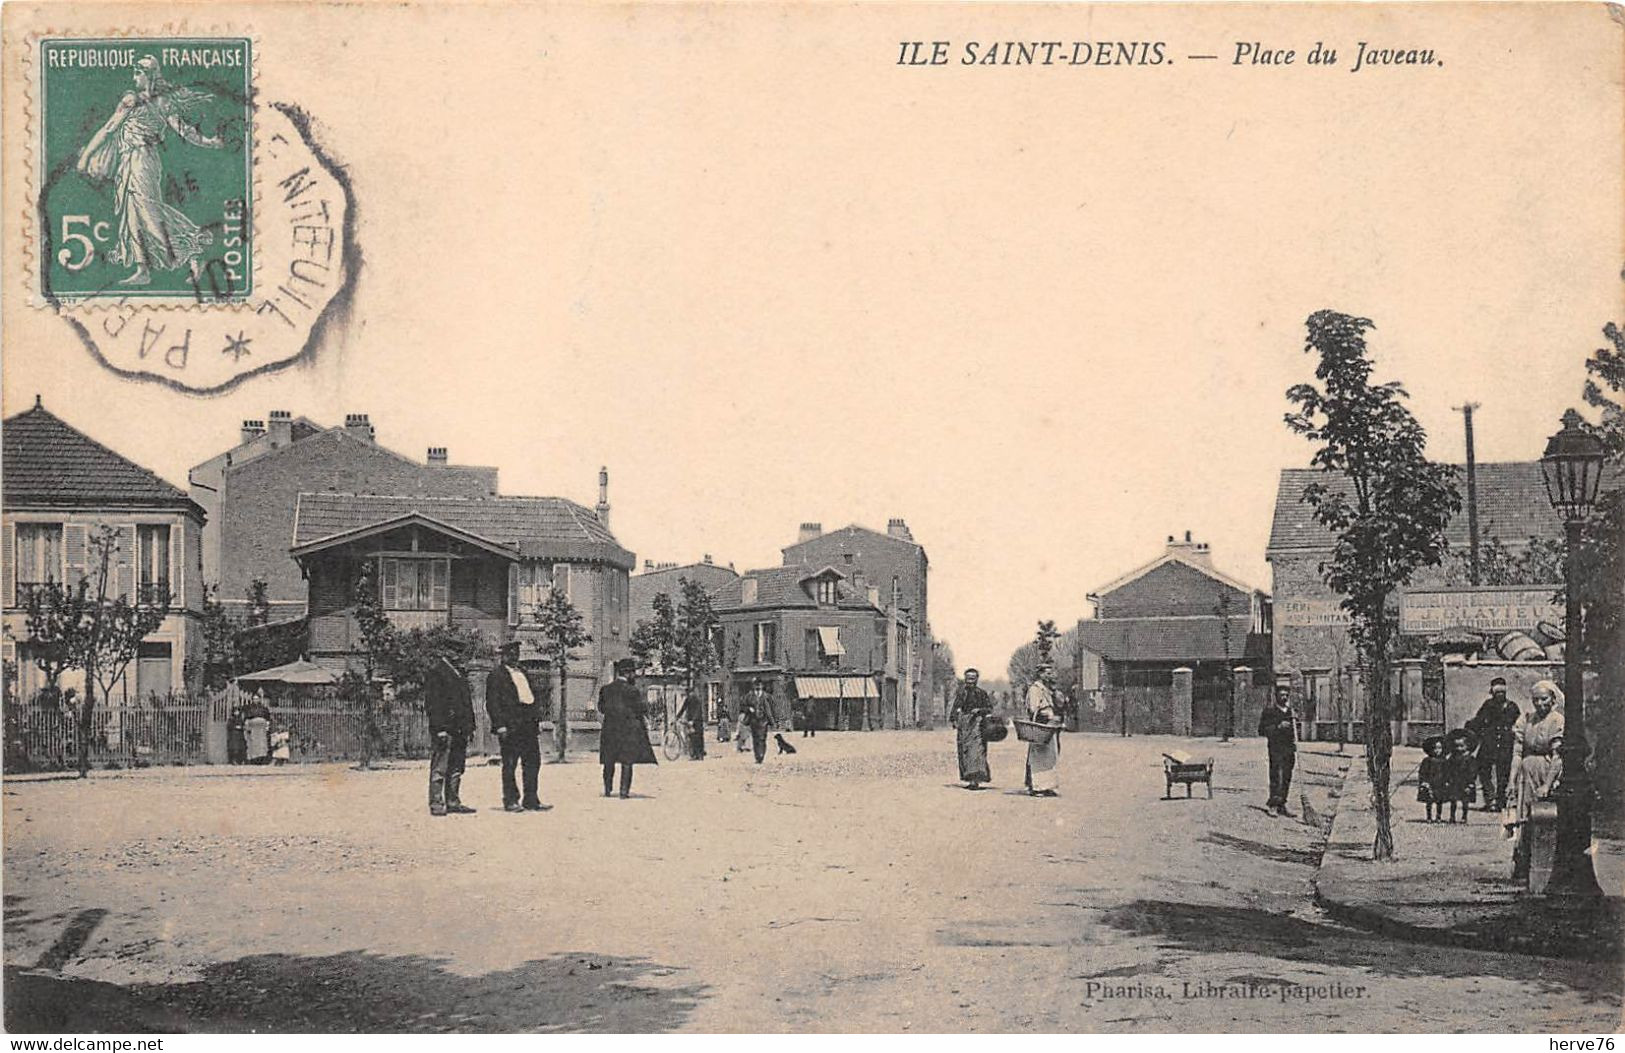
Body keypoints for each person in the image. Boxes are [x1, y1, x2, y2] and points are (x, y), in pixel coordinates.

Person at [75, 55, 223, 286]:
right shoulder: (149, 101)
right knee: (133, 214)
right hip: (130, 161)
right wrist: (209, 141)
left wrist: (85, 157)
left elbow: (109, 129)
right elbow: (110, 128)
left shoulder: (140, 100)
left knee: (147, 211)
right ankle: (142, 269)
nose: (135, 77)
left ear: (149, 75)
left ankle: (192, 253)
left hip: (143, 160)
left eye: (138, 73)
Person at [1505, 680, 1565, 881]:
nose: (1539, 704)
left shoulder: (1557, 720)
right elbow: (1517, 753)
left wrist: (1547, 784)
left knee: (1545, 818)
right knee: (1524, 819)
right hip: (1526, 773)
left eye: (1544, 699)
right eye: (1536, 700)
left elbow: (1558, 755)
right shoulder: (1526, 719)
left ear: (1553, 699)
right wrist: (1511, 781)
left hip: (1547, 770)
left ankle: (1544, 866)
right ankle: (1523, 863)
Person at [486, 643, 546, 812]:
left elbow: (531, 697)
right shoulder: (496, 675)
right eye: (511, 653)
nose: (514, 656)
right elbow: (493, 703)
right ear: (503, 655)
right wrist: (500, 726)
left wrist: (537, 720)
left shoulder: (523, 673)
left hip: (528, 725)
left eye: (516, 653)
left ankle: (531, 799)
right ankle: (511, 800)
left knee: (533, 762)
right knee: (510, 763)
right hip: (511, 725)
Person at [424, 654, 475, 817]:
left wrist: (470, 726)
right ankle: (436, 802)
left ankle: (453, 801)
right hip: (446, 728)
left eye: (460, 651)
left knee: (457, 767)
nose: (460, 656)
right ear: (447, 652)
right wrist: (439, 729)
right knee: (440, 767)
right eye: (456, 651)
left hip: (460, 729)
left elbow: (467, 703)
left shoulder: (460, 673)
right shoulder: (437, 672)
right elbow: (434, 703)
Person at [599, 659, 657, 797]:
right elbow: (640, 709)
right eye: (633, 672)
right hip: (627, 731)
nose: (634, 675)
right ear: (628, 673)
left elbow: (601, 708)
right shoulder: (632, 690)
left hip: (609, 730)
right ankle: (623, 792)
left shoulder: (605, 689)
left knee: (609, 760)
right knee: (627, 761)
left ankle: (608, 790)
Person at [1465, 677, 1521, 811]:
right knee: (1483, 770)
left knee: (1504, 773)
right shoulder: (1488, 705)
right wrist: (1469, 730)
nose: (1500, 693)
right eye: (1497, 691)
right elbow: (1478, 722)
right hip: (1488, 743)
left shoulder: (1512, 707)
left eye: (1502, 690)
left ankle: (1501, 801)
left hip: (1505, 744)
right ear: (1492, 692)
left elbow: (1518, 723)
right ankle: (1490, 799)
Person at [948, 668, 993, 789]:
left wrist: (979, 710)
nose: (970, 681)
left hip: (977, 726)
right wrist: (953, 719)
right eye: (968, 679)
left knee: (976, 752)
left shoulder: (982, 693)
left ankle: (976, 780)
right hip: (964, 726)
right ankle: (969, 778)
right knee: (965, 751)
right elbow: (955, 706)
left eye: (973, 679)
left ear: (977, 679)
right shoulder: (961, 693)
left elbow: (989, 708)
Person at [1258, 686, 1297, 816]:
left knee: (1287, 776)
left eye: (1286, 695)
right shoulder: (1269, 712)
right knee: (1276, 775)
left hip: (1289, 748)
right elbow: (1262, 730)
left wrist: (1296, 732)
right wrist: (1278, 727)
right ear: (1276, 696)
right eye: (1282, 695)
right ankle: (1273, 804)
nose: (1284, 697)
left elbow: (1296, 731)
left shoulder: (1291, 712)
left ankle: (1282, 803)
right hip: (1276, 748)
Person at [1024, 664, 1062, 797]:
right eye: (1047, 673)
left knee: (1050, 756)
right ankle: (1037, 787)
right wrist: (1046, 714)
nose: (1049, 676)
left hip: (1049, 726)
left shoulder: (1048, 689)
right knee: (1038, 757)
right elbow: (1033, 708)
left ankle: (1048, 786)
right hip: (1040, 725)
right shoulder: (1035, 689)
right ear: (1040, 674)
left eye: (1050, 673)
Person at [1442, 733, 1478, 824]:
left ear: (1467, 746)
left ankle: (1464, 817)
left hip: (1465, 782)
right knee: (1453, 800)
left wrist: (1471, 783)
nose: (1459, 749)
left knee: (1465, 800)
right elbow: (1448, 769)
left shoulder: (1469, 758)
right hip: (1454, 782)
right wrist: (1447, 780)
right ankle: (1452, 816)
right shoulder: (1452, 757)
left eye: (1461, 746)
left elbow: (1473, 771)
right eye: (1456, 746)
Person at [739, 679, 774, 764]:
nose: (758, 687)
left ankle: (761, 755)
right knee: (755, 739)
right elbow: (742, 706)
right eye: (756, 685)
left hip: (763, 720)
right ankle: (757, 756)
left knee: (762, 738)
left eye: (760, 685)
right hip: (753, 720)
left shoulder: (767, 696)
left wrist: (772, 720)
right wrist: (748, 709)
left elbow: (772, 708)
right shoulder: (749, 696)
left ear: (762, 686)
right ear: (754, 686)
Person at [1417, 736, 1447, 823]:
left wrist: (1447, 781)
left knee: (1439, 801)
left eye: (1439, 748)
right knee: (1429, 801)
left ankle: (1438, 817)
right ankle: (1429, 817)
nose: (1437, 750)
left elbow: (1447, 772)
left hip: (1440, 783)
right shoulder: (1427, 760)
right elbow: (1422, 772)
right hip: (1430, 783)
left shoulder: (1443, 761)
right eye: (1435, 748)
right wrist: (1423, 782)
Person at [677, 689, 707, 761]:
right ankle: (695, 754)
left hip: (697, 721)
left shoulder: (695, 699)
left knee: (697, 737)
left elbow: (698, 710)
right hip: (691, 721)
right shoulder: (689, 698)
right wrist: (677, 717)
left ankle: (699, 755)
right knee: (692, 737)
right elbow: (683, 708)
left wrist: (693, 720)